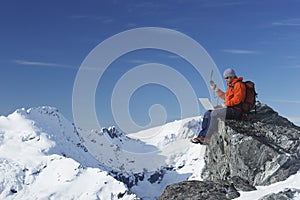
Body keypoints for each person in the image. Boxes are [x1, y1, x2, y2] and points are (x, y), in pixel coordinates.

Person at [191, 68, 246, 144]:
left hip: (237, 111)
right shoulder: (231, 86)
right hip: (230, 109)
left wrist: (225, 104)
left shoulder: (239, 85)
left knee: (214, 113)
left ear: (232, 76)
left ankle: (208, 137)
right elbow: (225, 97)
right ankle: (202, 135)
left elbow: (238, 100)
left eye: (227, 77)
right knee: (208, 112)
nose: (226, 79)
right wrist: (216, 89)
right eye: (225, 78)